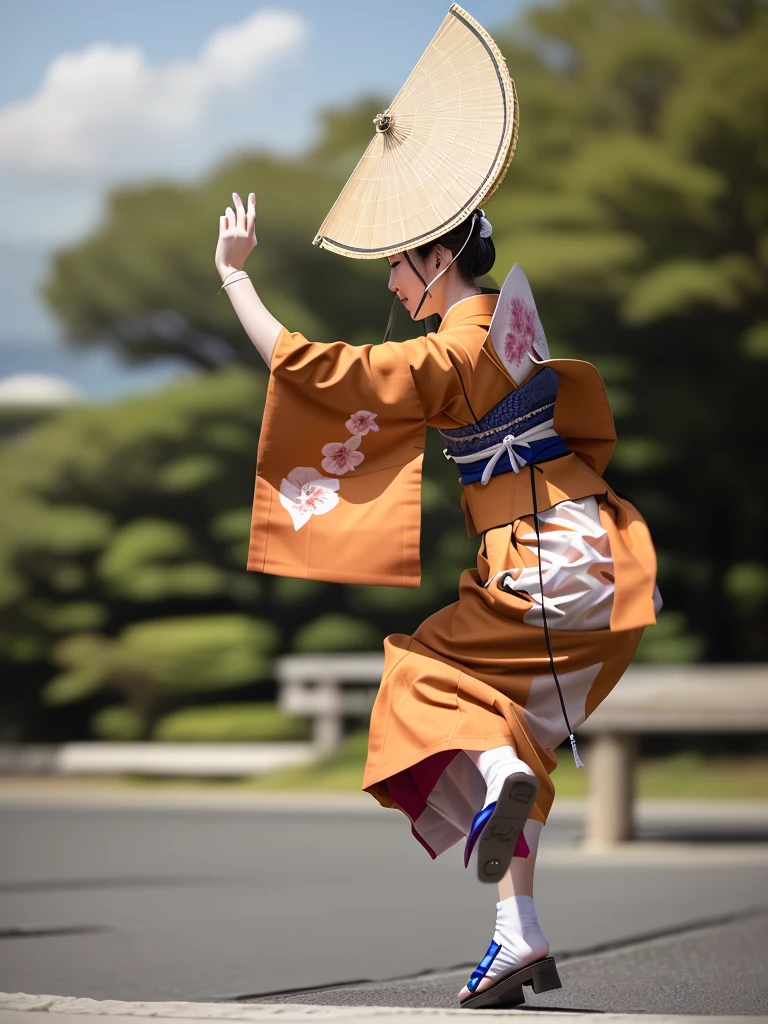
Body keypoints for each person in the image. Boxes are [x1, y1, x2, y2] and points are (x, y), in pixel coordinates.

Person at [214, 191, 662, 1009]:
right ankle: (516, 931)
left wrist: (235, 279)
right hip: (607, 560)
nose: (390, 282)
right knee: (507, 724)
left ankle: (495, 779)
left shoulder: (446, 354)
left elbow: (307, 364)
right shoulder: (512, 325)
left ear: (439, 259)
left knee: (415, 672)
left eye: (396, 262)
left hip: (542, 562)